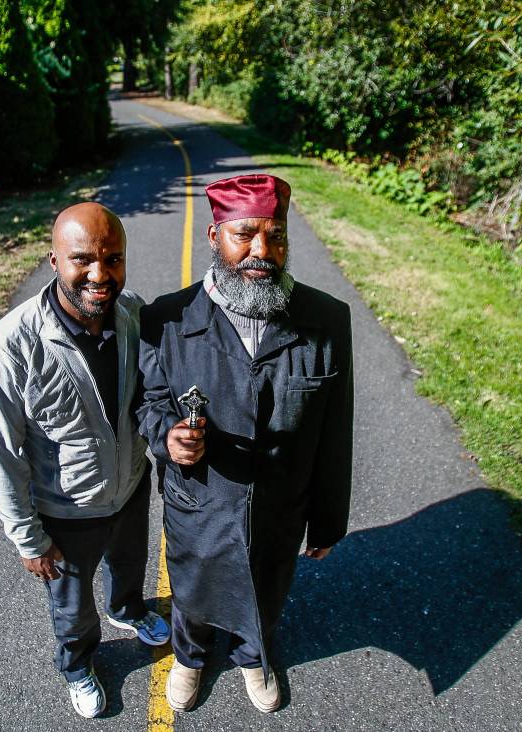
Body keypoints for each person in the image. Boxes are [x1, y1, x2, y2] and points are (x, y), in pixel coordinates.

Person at [137, 174, 353, 714]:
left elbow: (334, 429)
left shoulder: (326, 320)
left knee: (269, 583)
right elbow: (147, 402)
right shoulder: (166, 318)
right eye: (245, 234)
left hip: (283, 502)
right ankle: (189, 656)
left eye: (275, 235)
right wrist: (168, 437)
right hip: (200, 500)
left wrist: (328, 520)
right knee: (192, 584)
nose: (263, 251)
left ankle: (255, 655)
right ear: (214, 236)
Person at [0, 202, 169, 719]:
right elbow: (1, 453)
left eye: (113, 259)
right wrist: (28, 538)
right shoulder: (10, 347)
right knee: (72, 605)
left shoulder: (132, 314)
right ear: (53, 260)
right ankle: (78, 664)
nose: (99, 274)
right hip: (65, 513)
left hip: (128, 488)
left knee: (130, 566)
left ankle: (128, 609)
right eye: (82, 259)